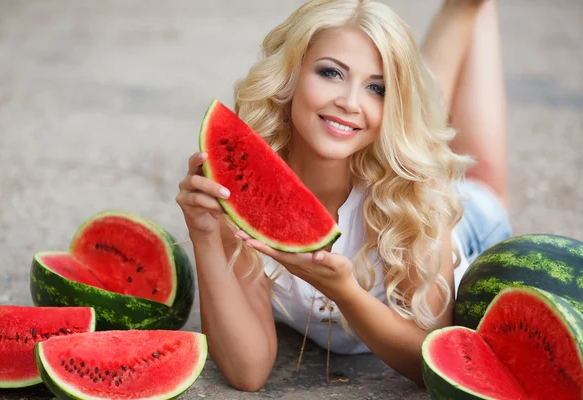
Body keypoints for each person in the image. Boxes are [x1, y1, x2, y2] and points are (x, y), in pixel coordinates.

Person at [175, 0, 511, 391]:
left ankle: (471, 8)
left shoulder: (420, 193)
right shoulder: (243, 188)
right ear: (291, 75)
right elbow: (247, 373)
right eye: (330, 73)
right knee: (420, 118)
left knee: (480, 177)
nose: (350, 101)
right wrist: (203, 236)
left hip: (464, 223)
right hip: (386, 156)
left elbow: (432, 360)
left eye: (377, 87)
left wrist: (345, 293)